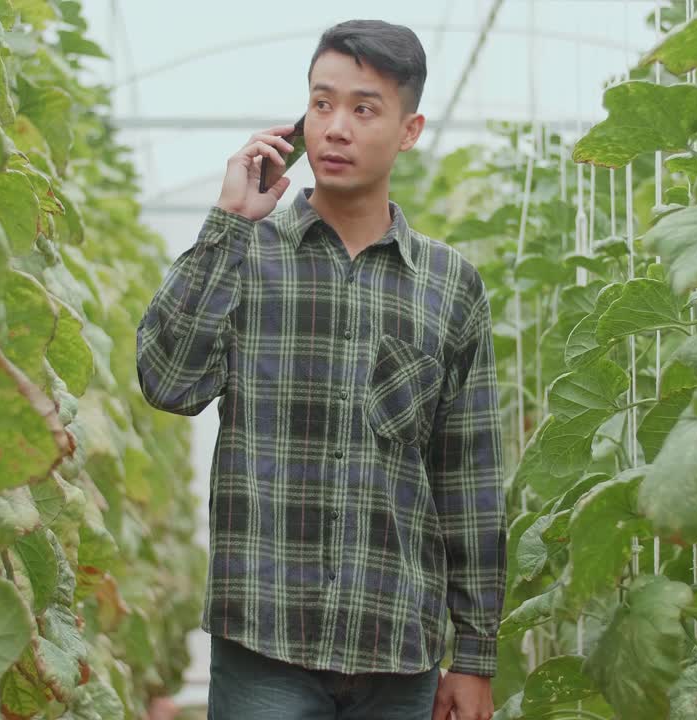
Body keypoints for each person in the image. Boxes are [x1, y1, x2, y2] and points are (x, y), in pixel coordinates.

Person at [135, 18, 506, 720]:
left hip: (396, 648)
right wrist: (228, 221)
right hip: (264, 643)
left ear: (409, 130)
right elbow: (168, 382)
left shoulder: (449, 285)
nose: (335, 128)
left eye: (364, 109)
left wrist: (475, 656)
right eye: (321, 103)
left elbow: (469, 479)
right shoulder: (245, 253)